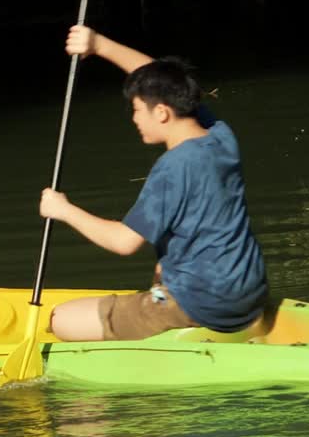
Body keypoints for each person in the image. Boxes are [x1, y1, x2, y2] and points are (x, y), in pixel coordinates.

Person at [38, 25, 269, 341]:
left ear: (161, 112)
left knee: (60, 319)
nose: (134, 119)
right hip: (250, 293)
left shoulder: (172, 168)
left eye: (136, 110)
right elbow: (157, 77)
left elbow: (123, 242)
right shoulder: (220, 137)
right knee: (162, 269)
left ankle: (176, 322)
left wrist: (63, 210)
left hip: (204, 305)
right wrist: (99, 44)